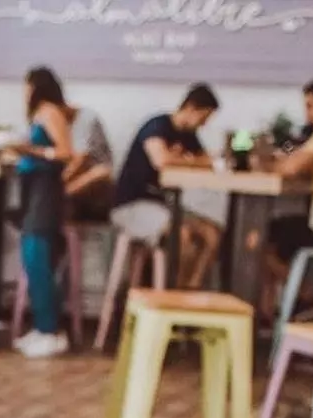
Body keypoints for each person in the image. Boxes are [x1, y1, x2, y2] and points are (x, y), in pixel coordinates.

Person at [114, 84, 221, 289]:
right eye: (204, 117)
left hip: (164, 206)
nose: (204, 124)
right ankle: (174, 297)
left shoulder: (189, 136)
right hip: (133, 205)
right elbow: (161, 160)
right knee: (183, 236)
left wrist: (184, 159)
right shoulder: (157, 126)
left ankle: (191, 290)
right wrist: (189, 160)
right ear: (191, 108)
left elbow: (208, 161)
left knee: (212, 234)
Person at [262, 77, 313, 319]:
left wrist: (273, 158)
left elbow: (292, 167)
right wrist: (287, 147)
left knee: (264, 239)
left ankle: (305, 297)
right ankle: (273, 311)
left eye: (310, 106)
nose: (307, 114)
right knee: (278, 231)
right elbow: (300, 150)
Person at [12, 66, 73, 359]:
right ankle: (41, 326)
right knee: (31, 257)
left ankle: (51, 330)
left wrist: (32, 152)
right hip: (34, 190)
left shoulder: (50, 112)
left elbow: (64, 152)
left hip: (46, 193)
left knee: (38, 257)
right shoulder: (41, 115)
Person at [64, 105, 114, 222]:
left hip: (96, 175)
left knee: (100, 172)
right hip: (84, 177)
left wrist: (61, 183)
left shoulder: (85, 119)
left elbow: (82, 159)